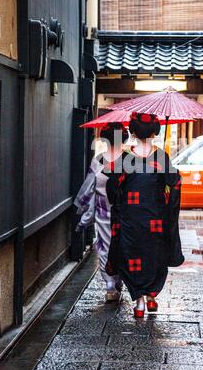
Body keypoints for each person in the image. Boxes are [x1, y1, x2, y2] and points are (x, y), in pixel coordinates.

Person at [106, 113, 184, 318]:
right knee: (155, 257)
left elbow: (113, 188)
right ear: (155, 132)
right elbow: (175, 182)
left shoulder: (125, 158)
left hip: (131, 219)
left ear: (132, 132)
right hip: (155, 218)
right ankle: (151, 297)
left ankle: (139, 303)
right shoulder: (161, 157)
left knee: (132, 256)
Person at [74, 122, 128, 302]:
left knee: (105, 245)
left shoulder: (99, 159)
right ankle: (120, 277)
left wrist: (81, 208)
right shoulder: (131, 159)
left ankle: (110, 285)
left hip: (104, 209)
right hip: (126, 210)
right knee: (124, 245)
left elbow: (89, 186)